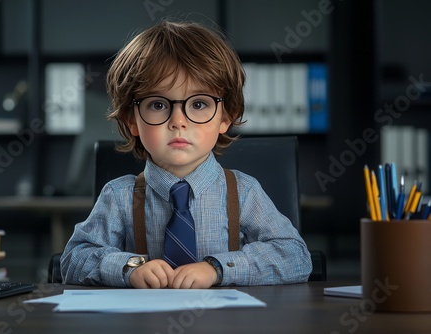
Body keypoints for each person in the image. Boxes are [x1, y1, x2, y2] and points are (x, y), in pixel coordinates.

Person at [60, 20, 312, 289]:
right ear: (131, 120)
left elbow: (296, 257)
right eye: (158, 104)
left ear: (225, 117)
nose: (178, 121)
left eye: (199, 103)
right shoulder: (118, 196)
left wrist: (218, 269)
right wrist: (130, 267)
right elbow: (74, 260)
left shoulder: (244, 191)